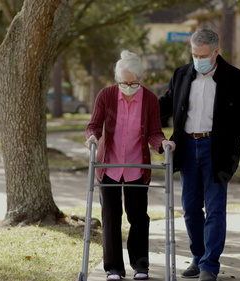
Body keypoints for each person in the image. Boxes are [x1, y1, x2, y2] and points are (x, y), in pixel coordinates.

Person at [159, 28, 240, 281]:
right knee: (190, 208)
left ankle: (209, 266)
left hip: (218, 149)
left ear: (216, 52)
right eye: (194, 54)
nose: (198, 59)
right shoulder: (181, 74)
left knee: (215, 208)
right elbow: (166, 103)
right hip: (187, 147)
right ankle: (198, 256)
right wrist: (138, 103)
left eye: (203, 55)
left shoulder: (236, 78)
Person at [85, 50, 175, 281]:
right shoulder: (105, 96)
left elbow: (154, 132)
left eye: (134, 83)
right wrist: (92, 138)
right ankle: (113, 269)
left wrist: (163, 143)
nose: (128, 87)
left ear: (140, 80)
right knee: (111, 217)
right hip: (109, 168)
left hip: (137, 167)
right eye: (124, 82)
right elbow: (94, 125)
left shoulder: (149, 99)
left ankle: (140, 266)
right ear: (117, 80)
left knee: (138, 217)